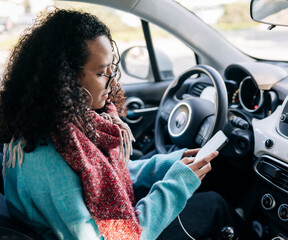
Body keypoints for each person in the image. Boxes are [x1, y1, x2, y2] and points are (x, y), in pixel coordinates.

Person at [0, 9, 243, 240]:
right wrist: (177, 183)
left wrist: (171, 163)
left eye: (111, 69)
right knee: (214, 206)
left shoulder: (63, 125)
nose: (111, 80)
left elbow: (109, 176)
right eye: (101, 72)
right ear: (65, 78)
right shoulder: (47, 153)